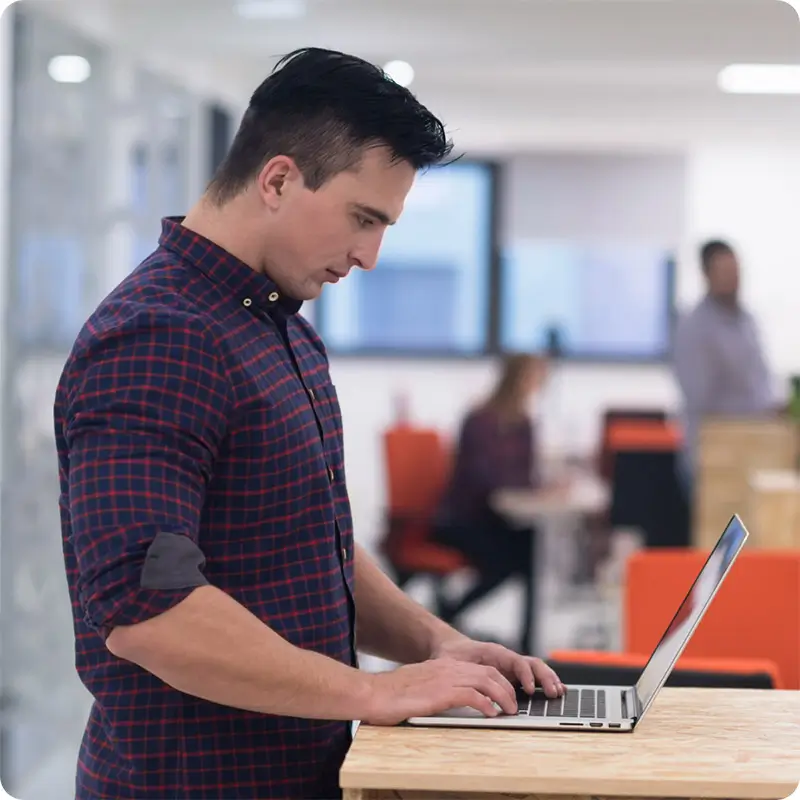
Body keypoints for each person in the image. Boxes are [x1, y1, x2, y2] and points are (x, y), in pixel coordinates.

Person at [53, 49, 564, 800]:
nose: (370, 256)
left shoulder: (280, 327)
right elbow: (146, 611)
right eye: (364, 219)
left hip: (304, 767)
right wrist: (374, 692)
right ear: (279, 179)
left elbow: (309, 539)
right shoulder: (158, 335)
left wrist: (439, 643)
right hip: (195, 783)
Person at [436, 353, 551, 655]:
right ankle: (448, 614)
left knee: (530, 549)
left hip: (497, 519)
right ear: (516, 378)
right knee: (510, 559)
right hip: (464, 519)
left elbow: (525, 474)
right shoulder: (480, 420)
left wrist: (543, 487)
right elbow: (484, 479)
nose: (538, 384)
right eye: (534, 377)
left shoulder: (524, 423)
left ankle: (528, 643)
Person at [673, 240, 776, 497]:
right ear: (707, 275)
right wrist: (756, 411)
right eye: (726, 272)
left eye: (736, 271)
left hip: (753, 452)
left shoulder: (747, 320)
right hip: (713, 456)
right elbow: (700, 398)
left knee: (750, 532)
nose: (734, 278)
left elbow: (758, 380)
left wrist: (771, 409)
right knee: (719, 534)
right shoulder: (693, 328)